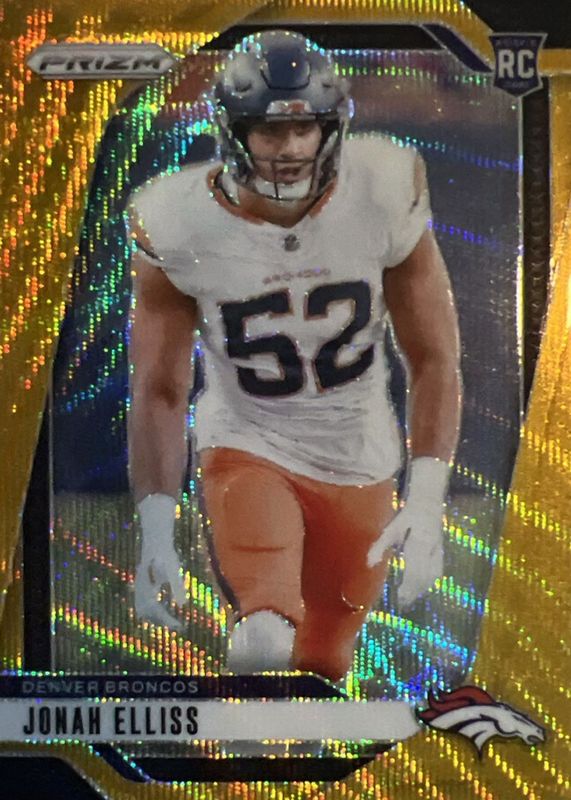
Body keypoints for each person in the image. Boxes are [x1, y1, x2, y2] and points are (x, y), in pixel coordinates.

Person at [127, 30, 462, 681]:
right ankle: (228, 746)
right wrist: (156, 525)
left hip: (359, 456)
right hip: (247, 442)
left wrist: (425, 499)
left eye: (303, 128)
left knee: (322, 663)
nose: (288, 149)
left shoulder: (383, 184)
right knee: (263, 635)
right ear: (233, 131)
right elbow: (160, 388)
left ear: (329, 128)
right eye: (268, 130)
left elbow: (434, 357)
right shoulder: (175, 218)